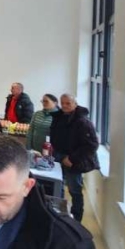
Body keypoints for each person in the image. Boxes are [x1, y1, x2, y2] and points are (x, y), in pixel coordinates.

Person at [50, 94, 99, 222]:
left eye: (68, 103)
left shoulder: (83, 121)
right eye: (63, 103)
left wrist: (72, 158)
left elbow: (92, 145)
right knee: (58, 186)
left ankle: (76, 220)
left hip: (73, 161)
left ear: (75, 104)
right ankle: (58, 214)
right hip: (58, 157)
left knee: (74, 190)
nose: (65, 106)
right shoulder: (59, 117)